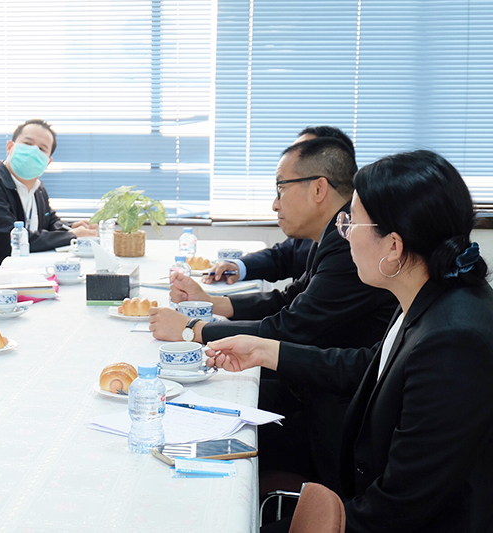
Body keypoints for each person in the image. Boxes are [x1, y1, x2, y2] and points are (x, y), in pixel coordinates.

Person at [206, 151, 493, 532]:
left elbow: (399, 507)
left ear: (393, 245)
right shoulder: (428, 292)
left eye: (351, 221)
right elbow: (370, 367)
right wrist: (264, 351)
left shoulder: (454, 342)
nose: (343, 233)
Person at [150, 137, 397, 491]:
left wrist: (194, 329)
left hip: (332, 417)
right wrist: (216, 306)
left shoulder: (346, 249)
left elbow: (291, 327)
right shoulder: (330, 239)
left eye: (281, 187)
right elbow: (290, 301)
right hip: (316, 389)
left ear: (318, 189)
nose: (274, 202)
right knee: (198, 402)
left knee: (191, 420)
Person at [206, 125, 355, 285]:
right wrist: (237, 267)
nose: (275, 206)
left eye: (304, 151)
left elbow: (300, 307)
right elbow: (284, 258)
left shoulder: (350, 242)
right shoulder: (320, 231)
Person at [0, 119, 98, 273]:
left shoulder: (38, 189)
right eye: (28, 144)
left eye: (42, 149)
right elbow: (15, 240)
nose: (34, 151)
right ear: (10, 147)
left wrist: (72, 227)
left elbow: (50, 223)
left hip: (26, 276)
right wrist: (71, 235)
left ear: (48, 162)